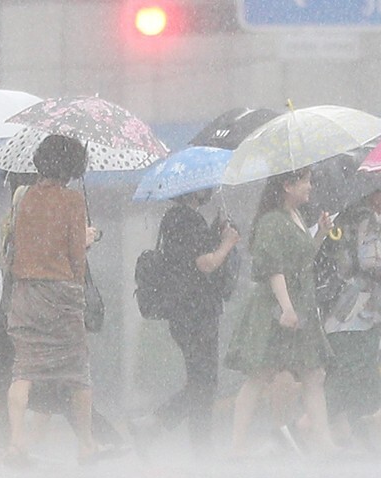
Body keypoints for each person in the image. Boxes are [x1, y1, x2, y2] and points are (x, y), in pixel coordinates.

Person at [225, 167, 337, 458]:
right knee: (260, 375)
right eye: (305, 181)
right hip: (277, 310)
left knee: (313, 374)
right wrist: (286, 308)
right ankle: (236, 446)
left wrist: (321, 235)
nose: (310, 186)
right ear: (287, 185)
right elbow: (273, 268)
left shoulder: (295, 217)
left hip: (298, 308)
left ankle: (325, 443)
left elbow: (300, 259)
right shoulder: (272, 222)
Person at [4, 134, 97, 466]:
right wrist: (87, 242)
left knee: (24, 369)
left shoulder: (23, 197)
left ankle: (16, 443)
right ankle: (86, 445)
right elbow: (74, 255)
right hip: (60, 292)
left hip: (25, 291)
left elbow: (18, 241)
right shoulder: (72, 202)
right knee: (76, 371)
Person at [129, 187, 240, 456]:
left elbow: (188, 257)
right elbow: (205, 263)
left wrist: (215, 230)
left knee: (200, 380)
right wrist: (227, 242)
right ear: (195, 190)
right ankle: (161, 427)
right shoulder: (186, 220)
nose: (212, 190)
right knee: (204, 382)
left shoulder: (177, 219)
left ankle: (195, 442)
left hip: (185, 310)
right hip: (195, 310)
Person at [322, 187, 381, 446]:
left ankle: (354, 431)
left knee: (351, 370)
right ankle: (311, 422)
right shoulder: (367, 219)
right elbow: (371, 262)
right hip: (360, 311)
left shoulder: (342, 217)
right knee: (354, 372)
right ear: (372, 192)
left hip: (338, 309)